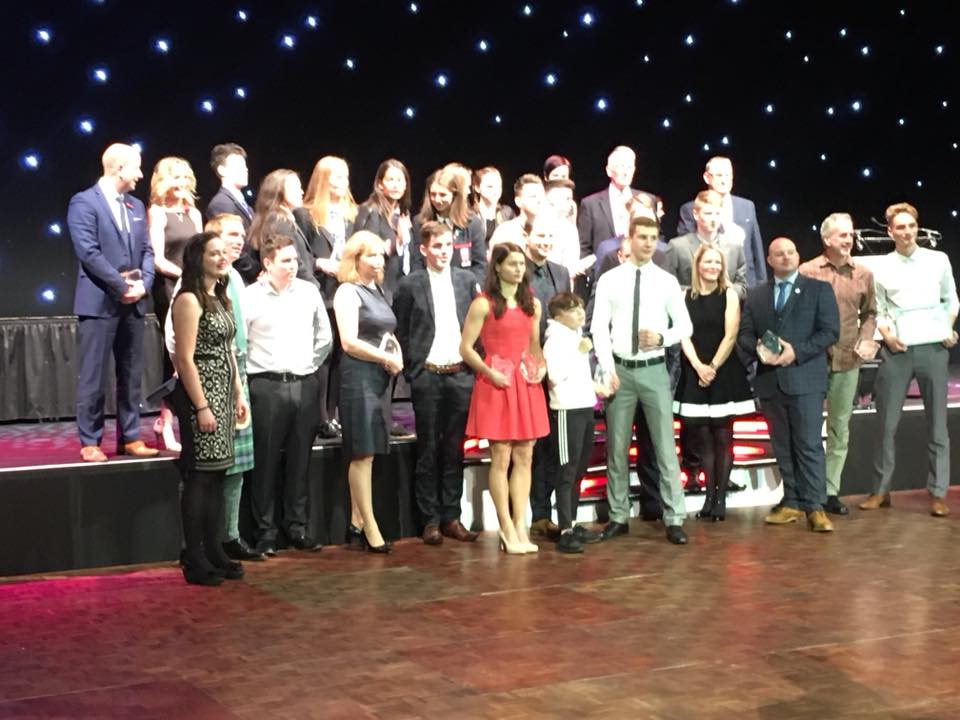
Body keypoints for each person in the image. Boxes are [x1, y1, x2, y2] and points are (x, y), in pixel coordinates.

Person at [591, 215, 693, 545]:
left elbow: (685, 326)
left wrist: (662, 338)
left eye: (653, 237)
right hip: (620, 370)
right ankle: (618, 515)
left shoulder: (666, 281)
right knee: (616, 448)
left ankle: (674, 517)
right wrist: (608, 368)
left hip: (653, 369)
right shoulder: (610, 279)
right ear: (630, 239)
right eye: (643, 237)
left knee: (665, 447)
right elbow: (598, 328)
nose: (649, 243)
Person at [859, 203, 959, 517]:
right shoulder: (881, 267)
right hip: (897, 350)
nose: (907, 232)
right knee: (886, 424)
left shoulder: (938, 260)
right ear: (890, 232)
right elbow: (879, 309)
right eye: (900, 227)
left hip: (932, 348)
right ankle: (881, 490)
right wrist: (887, 337)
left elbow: (951, 300)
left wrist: (947, 328)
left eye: (911, 226)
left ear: (918, 227)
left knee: (938, 425)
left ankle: (938, 492)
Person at [738, 237, 839, 532]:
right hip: (770, 382)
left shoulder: (818, 289)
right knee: (782, 446)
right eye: (779, 254)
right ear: (769, 260)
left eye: (791, 252)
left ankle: (816, 506)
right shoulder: (757, 295)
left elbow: (830, 331)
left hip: (805, 378)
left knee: (809, 444)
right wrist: (758, 349)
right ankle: (792, 501)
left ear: (798, 255)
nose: (786, 257)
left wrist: (797, 352)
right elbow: (744, 334)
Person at [68, 142, 159, 462]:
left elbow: (147, 251)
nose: (140, 175)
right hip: (99, 302)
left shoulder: (136, 205)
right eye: (136, 167)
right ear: (120, 168)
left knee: (131, 373)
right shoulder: (84, 202)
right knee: (93, 375)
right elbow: (88, 252)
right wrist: (120, 285)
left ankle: (130, 437)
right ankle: (90, 441)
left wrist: (143, 285)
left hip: (133, 302)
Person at [243, 234, 332, 555]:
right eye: (285, 261)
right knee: (265, 462)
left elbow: (324, 337)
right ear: (267, 263)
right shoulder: (250, 297)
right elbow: (241, 343)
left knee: (300, 459)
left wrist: (308, 365)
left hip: (304, 383)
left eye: (295, 260)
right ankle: (265, 532)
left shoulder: (308, 292)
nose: (293, 266)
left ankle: (297, 526)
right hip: (266, 385)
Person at [393, 221, 481, 545]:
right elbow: (401, 329)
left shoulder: (466, 281)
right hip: (428, 375)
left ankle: (451, 516)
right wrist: (413, 371)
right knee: (428, 449)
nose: (444, 252)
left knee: (454, 448)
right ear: (424, 249)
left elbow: (476, 326)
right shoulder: (410, 284)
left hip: (459, 375)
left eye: (448, 246)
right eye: (437, 246)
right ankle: (429, 519)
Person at [460, 243, 550, 554]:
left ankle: (520, 523)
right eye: (512, 264)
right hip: (497, 383)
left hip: (525, 383)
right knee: (501, 457)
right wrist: (489, 372)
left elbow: (534, 345)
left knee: (525, 456)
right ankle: (506, 527)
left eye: (521, 264)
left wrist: (541, 367)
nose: (518, 269)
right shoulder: (483, 304)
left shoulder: (532, 304)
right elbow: (466, 348)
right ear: (497, 266)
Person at [169, 232, 248, 585]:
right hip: (200, 395)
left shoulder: (220, 296)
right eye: (213, 253)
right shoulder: (189, 299)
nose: (222, 258)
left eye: (223, 252)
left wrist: (238, 393)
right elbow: (184, 359)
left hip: (223, 395)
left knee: (218, 476)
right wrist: (202, 406)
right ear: (197, 259)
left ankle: (214, 549)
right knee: (200, 477)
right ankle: (194, 557)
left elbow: (228, 350)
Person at [798, 213, 877, 515]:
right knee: (807, 429)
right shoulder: (807, 271)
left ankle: (830, 491)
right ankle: (808, 489)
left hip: (848, 359)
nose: (849, 240)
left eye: (851, 234)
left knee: (839, 428)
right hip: (812, 361)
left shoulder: (863, 273)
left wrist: (866, 338)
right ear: (827, 239)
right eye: (843, 235)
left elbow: (870, 313)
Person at [674, 245, 755, 521]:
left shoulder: (729, 294)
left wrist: (712, 367)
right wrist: (698, 366)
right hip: (695, 370)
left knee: (723, 437)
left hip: (723, 371)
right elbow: (683, 335)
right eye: (708, 261)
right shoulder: (684, 296)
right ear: (697, 264)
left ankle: (720, 499)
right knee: (703, 440)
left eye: (717, 262)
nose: (713, 266)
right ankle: (708, 497)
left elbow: (731, 335)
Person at [334, 231, 403, 553]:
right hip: (358, 376)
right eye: (370, 255)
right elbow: (349, 342)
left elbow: (385, 332)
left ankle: (357, 521)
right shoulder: (348, 292)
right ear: (355, 259)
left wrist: (395, 353)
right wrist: (385, 358)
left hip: (378, 378)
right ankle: (371, 528)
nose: (378, 261)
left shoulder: (378, 289)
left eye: (380, 255)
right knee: (362, 452)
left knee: (370, 451)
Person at [204, 214, 263, 561]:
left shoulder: (236, 277)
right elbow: (175, 336)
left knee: (238, 464)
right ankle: (206, 540)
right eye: (231, 234)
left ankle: (231, 536)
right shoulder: (194, 282)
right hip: (211, 372)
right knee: (213, 465)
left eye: (242, 234)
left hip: (238, 368)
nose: (239, 240)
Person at [297, 156, 359, 440]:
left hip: (345, 290)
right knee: (324, 352)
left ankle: (332, 415)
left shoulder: (350, 214)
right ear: (322, 179)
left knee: (340, 355)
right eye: (336, 177)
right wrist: (320, 263)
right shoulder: (306, 214)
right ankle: (320, 416)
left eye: (345, 176)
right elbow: (301, 254)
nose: (342, 182)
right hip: (320, 291)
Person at [542, 292, 605, 553]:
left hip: (584, 407)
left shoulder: (575, 337)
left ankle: (574, 522)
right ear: (558, 316)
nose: (580, 313)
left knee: (579, 469)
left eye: (580, 307)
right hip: (566, 410)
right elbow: (554, 376)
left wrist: (598, 388)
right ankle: (565, 529)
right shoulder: (554, 341)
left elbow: (579, 375)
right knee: (566, 471)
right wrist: (577, 352)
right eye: (573, 309)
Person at [148, 156, 203, 452]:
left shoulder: (194, 213)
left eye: (185, 177)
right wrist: (184, 276)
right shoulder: (158, 213)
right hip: (170, 288)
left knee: (193, 352)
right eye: (176, 177)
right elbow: (157, 260)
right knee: (174, 356)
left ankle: (191, 415)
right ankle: (166, 421)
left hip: (195, 288)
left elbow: (201, 251)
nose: (182, 183)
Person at [523, 216, 571, 539]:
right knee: (533, 444)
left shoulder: (561, 272)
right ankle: (534, 513)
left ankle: (546, 512)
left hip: (555, 367)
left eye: (550, 236)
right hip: (526, 366)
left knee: (553, 443)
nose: (545, 241)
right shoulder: (517, 269)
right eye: (540, 235)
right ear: (527, 236)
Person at [677, 156, 766, 287]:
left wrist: (762, 281)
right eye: (719, 175)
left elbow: (756, 246)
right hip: (707, 283)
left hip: (747, 283)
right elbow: (686, 249)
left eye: (728, 175)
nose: (724, 180)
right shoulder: (691, 209)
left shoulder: (747, 206)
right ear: (707, 177)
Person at [577, 145, 659, 257]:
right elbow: (584, 248)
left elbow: (657, 237)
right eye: (621, 166)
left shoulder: (647, 200)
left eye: (629, 167)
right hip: (603, 266)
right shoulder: (590, 204)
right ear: (609, 171)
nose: (626, 172)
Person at [665, 190, 747, 298]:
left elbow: (743, 288)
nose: (714, 219)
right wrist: (699, 291)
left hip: (725, 306)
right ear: (696, 214)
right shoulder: (677, 247)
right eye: (708, 213)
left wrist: (728, 289)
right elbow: (666, 286)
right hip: (689, 306)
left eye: (718, 213)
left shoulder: (734, 247)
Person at [354, 158, 414, 303]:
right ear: (380, 184)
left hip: (401, 286)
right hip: (380, 287)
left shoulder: (403, 213)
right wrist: (397, 241)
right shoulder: (371, 210)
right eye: (390, 180)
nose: (395, 185)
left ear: (406, 185)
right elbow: (367, 250)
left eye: (399, 180)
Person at [411, 167, 487, 281]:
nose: (437, 199)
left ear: (455, 195)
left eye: (443, 195)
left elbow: (480, 265)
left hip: (464, 287)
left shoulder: (472, 223)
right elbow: (417, 262)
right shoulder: (420, 222)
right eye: (433, 194)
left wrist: (472, 287)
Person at [246, 169, 317, 290]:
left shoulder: (278, 218)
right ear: (279, 192)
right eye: (296, 188)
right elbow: (292, 261)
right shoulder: (279, 222)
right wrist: (315, 288)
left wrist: (317, 263)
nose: (302, 192)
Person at [205, 143, 258, 283]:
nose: (245, 170)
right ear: (222, 170)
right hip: (240, 277)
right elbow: (229, 246)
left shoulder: (246, 205)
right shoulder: (221, 203)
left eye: (245, 166)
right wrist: (257, 273)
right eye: (239, 166)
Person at [487, 174, 545, 252]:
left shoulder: (552, 229)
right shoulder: (505, 232)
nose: (539, 200)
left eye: (541, 196)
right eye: (533, 196)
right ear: (518, 201)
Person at [472, 166, 515, 245]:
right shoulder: (471, 214)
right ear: (477, 188)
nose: (495, 190)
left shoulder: (507, 212)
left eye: (498, 186)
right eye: (490, 186)